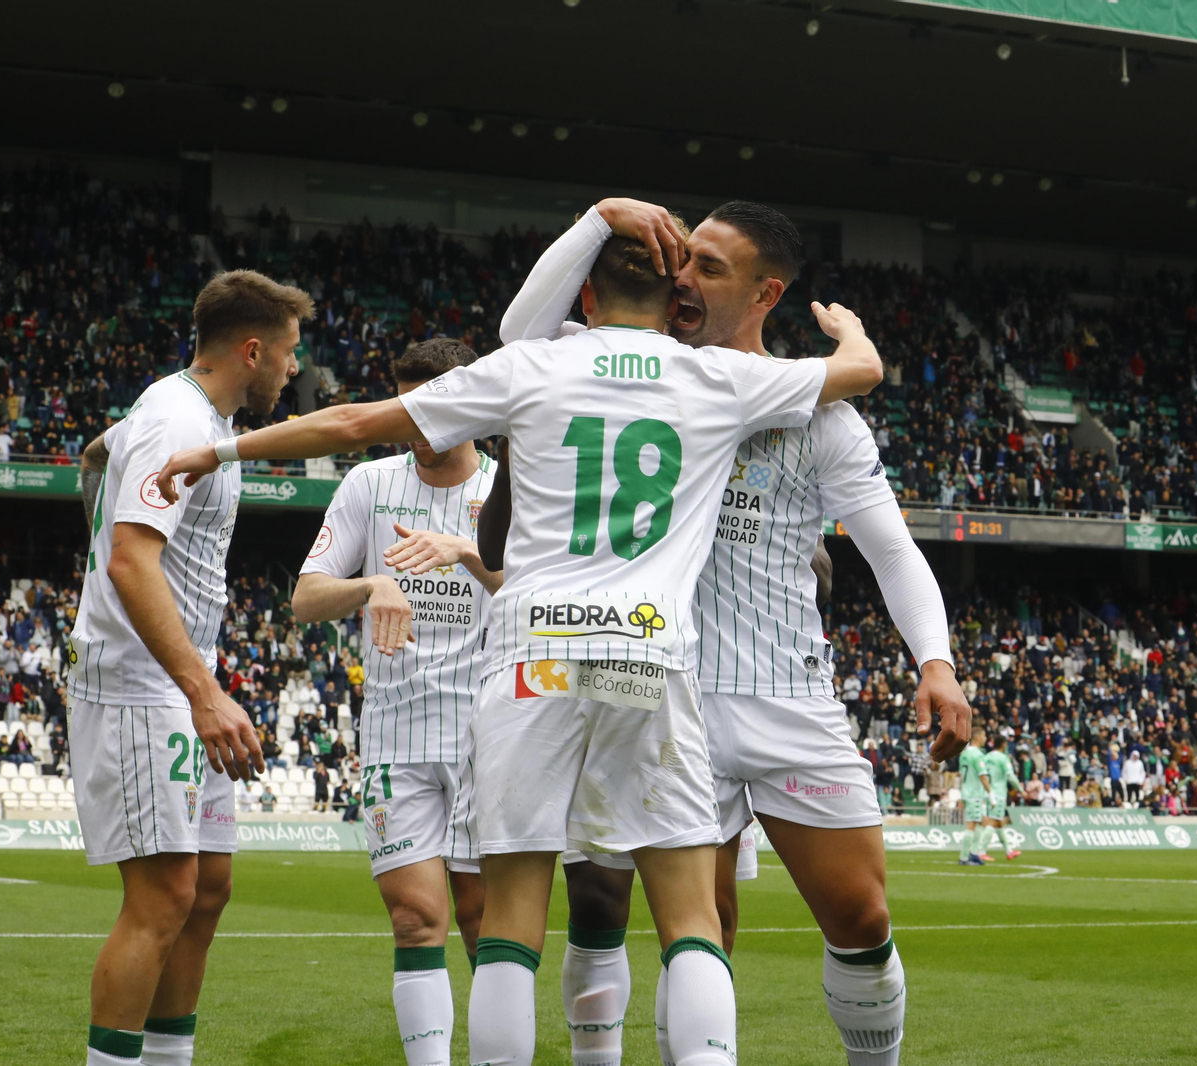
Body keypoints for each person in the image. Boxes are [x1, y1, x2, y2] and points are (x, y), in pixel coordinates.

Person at [157, 219, 888, 1066]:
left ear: (584, 296)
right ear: (672, 300)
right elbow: (860, 374)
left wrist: (221, 449)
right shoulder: (718, 376)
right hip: (648, 660)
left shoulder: (532, 364)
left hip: (531, 660)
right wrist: (852, 333)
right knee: (691, 921)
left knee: (509, 924)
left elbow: (357, 422)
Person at [495, 197, 969, 1065]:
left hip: (789, 692)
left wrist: (935, 664)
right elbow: (520, 332)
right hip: (670, 692)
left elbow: (893, 553)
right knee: (700, 926)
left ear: (766, 292)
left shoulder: (819, 414)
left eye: (709, 267)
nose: (682, 277)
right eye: (683, 258)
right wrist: (599, 221)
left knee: (861, 915)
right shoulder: (621, 371)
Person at [68, 269, 309, 1066]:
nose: (294, 369)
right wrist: (205, 695)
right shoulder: (176, 417)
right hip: (145, 688)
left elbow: (98, 454)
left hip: (177, 683)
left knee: (207, 892)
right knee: (165, 895)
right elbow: (131, 565)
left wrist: (100, 471)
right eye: (287, 353)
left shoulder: (177, 411)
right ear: (251, 350)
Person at [294, 338, 497, 1066]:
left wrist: (468, 553)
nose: (416, 428)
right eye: (406, 408)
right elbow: (305, 597)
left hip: (491, 735)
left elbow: (544, 601)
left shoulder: (513, 487)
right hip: (395, 733)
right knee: (416, 918)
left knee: (482, 919)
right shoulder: (369, 485)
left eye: (432, 409)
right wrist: (370, 585)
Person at [982, 734, 1022, 861]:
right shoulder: (1004, 758)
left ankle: (1009, 851)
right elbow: (1011, 777)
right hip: (998, 794)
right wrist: (1021, 790)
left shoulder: (986, 757)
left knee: (999, 823)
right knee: (993, 821)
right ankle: (981, 851)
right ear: (1004, 744)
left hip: (987, 792)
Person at [958, 727, 991, 866]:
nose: (985, 739)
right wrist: (991, 794)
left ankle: (973, 852)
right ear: (977, 737)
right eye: (984, 736)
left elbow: (961, 775)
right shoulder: (978, 755)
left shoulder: (964, 754)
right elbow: (983, 777)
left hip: (967, 792)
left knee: (983, 822)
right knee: (971, 825)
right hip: (974, 795)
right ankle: (964, 858)